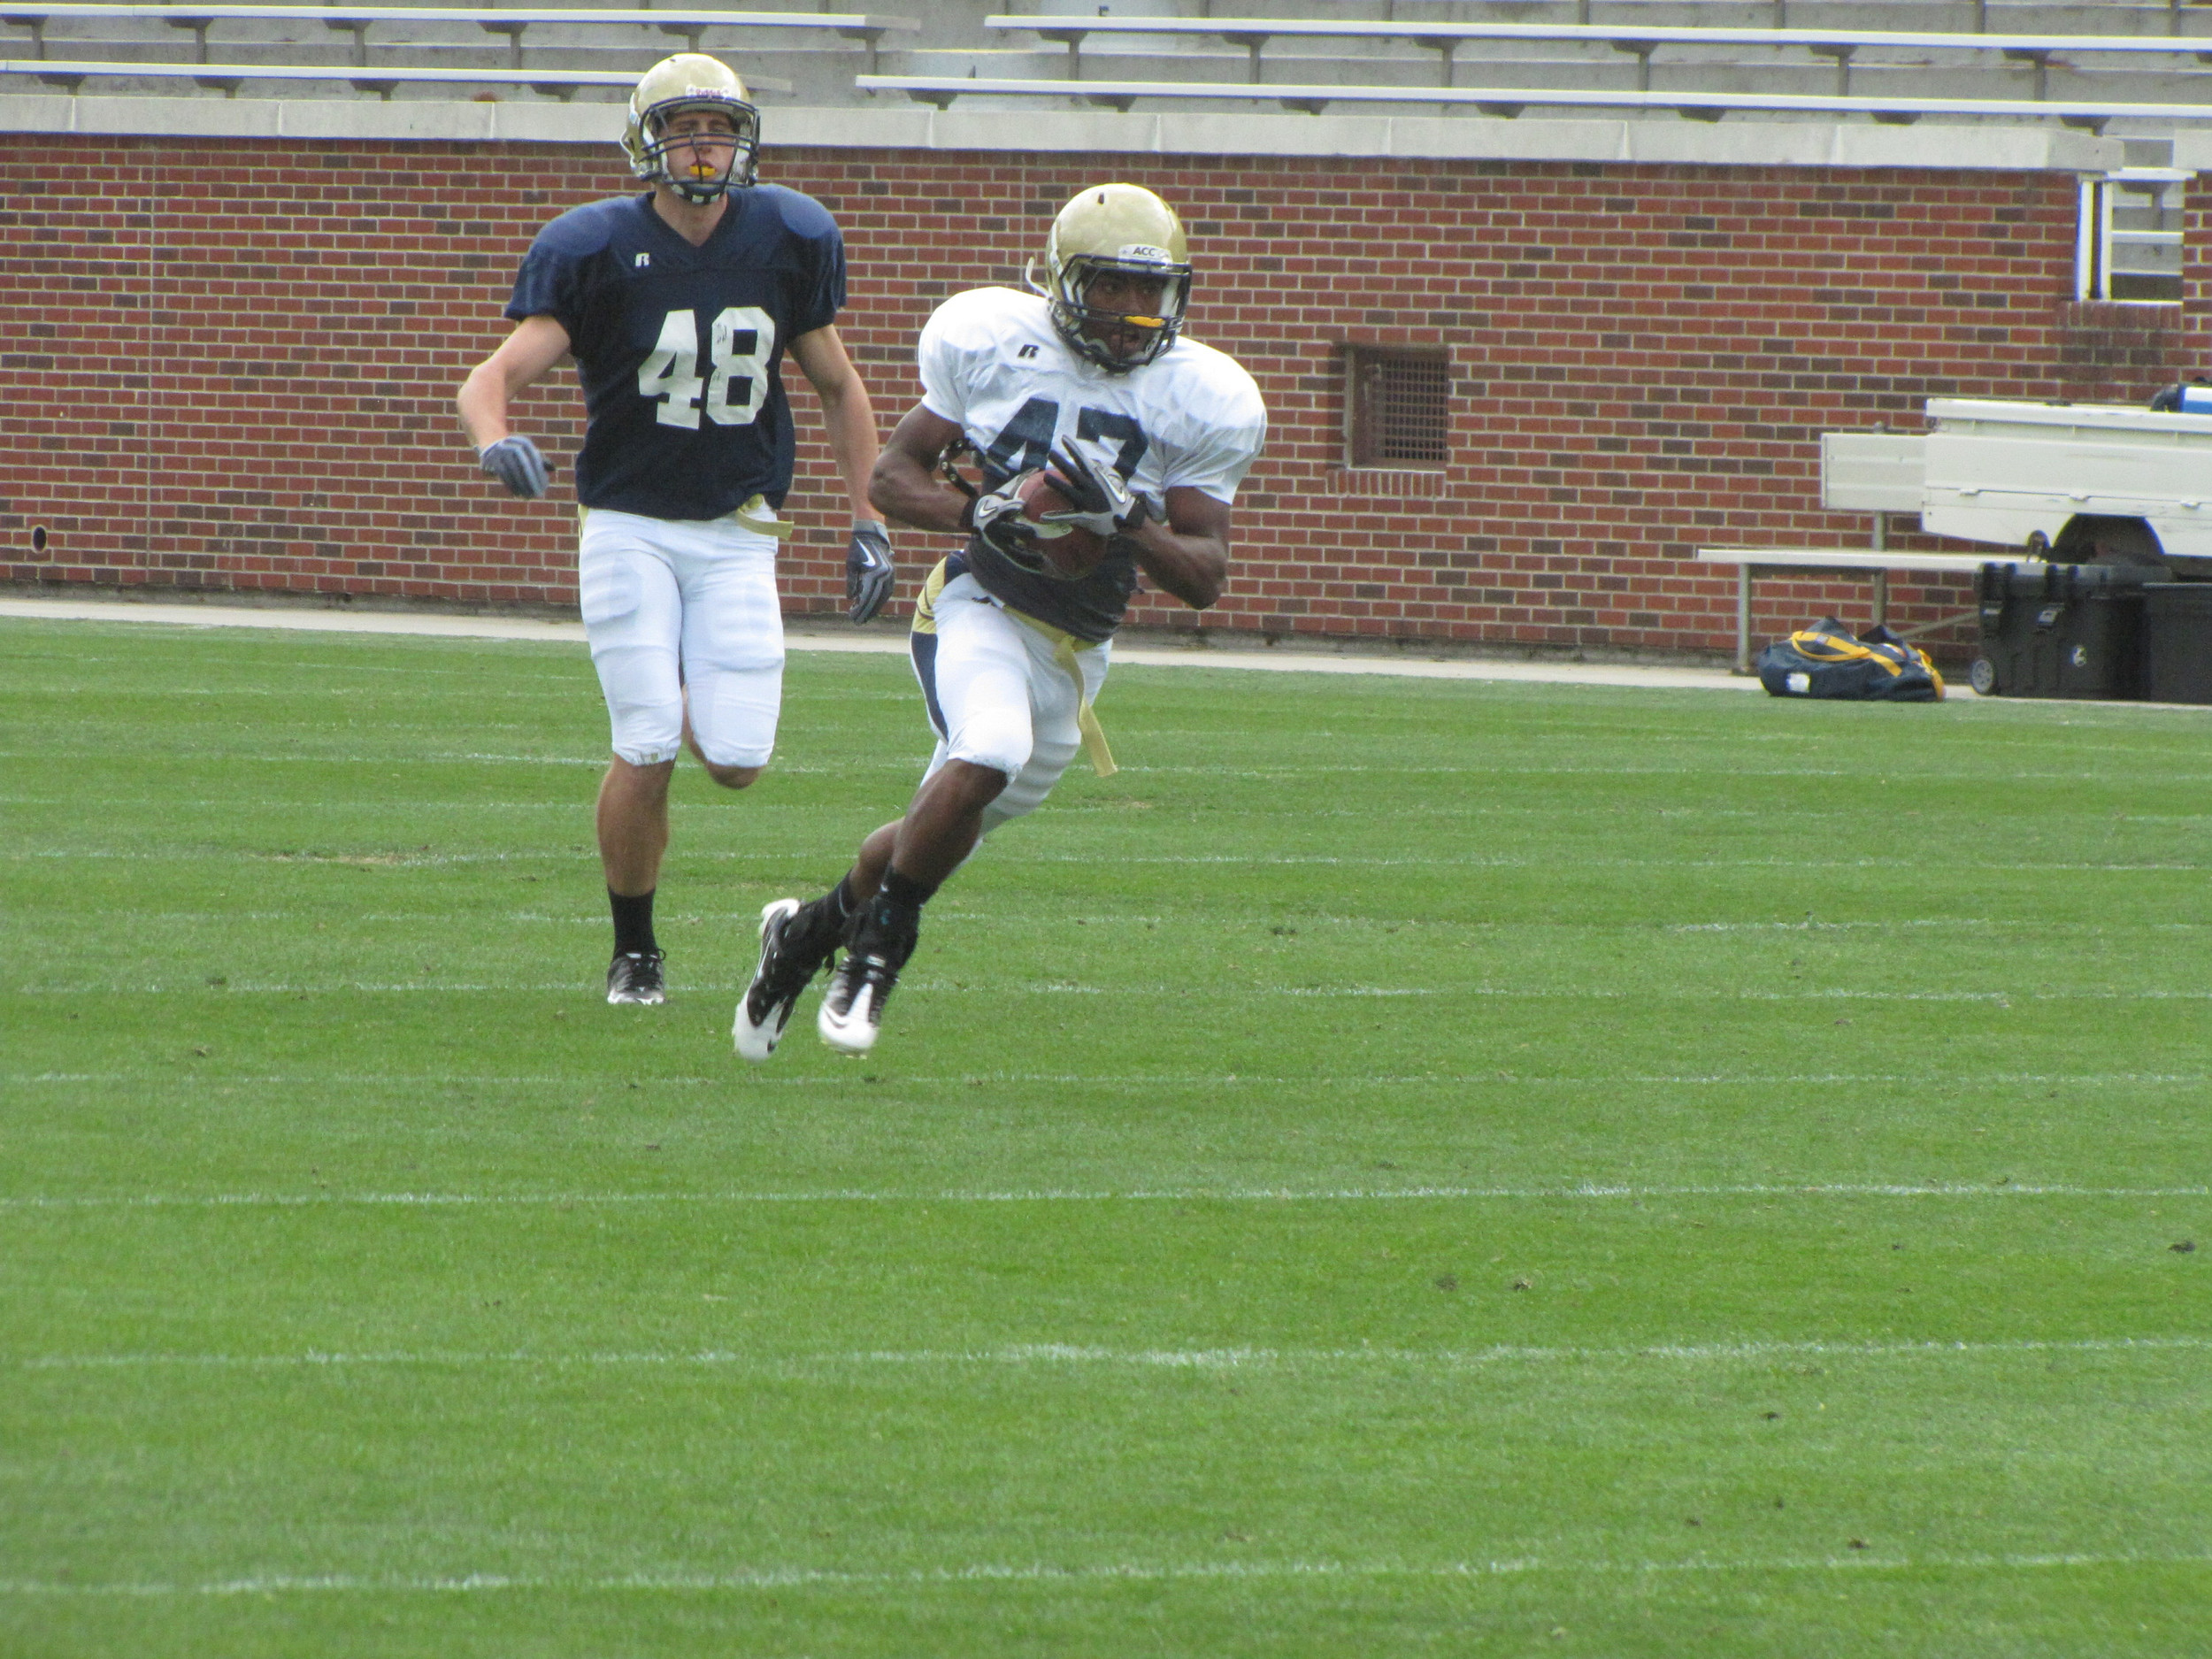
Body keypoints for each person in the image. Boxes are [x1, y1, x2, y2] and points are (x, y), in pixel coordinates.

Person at [734, 181, 1266, 1058]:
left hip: (1074, 655)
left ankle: (802, 934)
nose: (1133, 311)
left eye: (1150, 289)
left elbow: (1206, 577)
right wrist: (978, 511)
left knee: (932, 830)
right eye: (1111, 285)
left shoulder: (1203, 394)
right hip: (977, 603)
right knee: (988, 751)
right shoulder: (995, 342)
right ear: (1061, 281)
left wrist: (1131, 521)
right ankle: (878, 953)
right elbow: (892, 477)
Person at [456, 53, 895, 1007]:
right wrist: (495, 440)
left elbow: (838, 385)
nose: (703, 148)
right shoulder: (596, 246)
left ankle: (682, 676)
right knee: (648, 738)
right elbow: (489, 379)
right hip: (630, 526)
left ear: (745, 142)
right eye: (685, 129)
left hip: (739, 528)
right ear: (645, 143)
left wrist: (869, 518)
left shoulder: (788, 235)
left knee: (736, 763)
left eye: (720, 130)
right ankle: (636, 952)